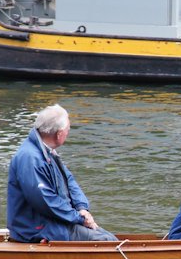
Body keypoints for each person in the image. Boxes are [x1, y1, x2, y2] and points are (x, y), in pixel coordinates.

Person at [7, 104, 118, 243]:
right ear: (59, 134)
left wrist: (82, 208)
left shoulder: (47, 151)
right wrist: (78, 217)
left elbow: (69, 181)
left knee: (110, 238)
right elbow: (45, 201)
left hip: (57, 221)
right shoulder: (30, 158)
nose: (68, 133)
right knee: (107, 241)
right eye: (68, 130)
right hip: (37, 228)